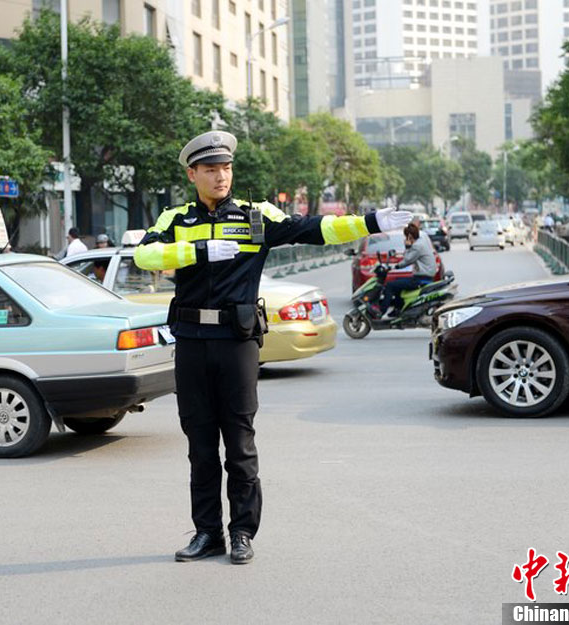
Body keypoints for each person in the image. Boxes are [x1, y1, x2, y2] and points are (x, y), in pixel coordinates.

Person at [134, 130, 412, 565]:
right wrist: (201, 250)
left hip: (237, 343)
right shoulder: (174, 220)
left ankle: (242, 532)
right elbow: (145, 257)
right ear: (193, 174)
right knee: (200, 446)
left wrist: (371, 222)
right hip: (191, 342)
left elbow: (315, 228)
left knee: (240, 443)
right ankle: (207, 533)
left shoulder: (255, 216)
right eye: (210, 169)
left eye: (225, 168)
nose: (221, 176)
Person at [378, 223, 436, 318]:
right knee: (397, 284)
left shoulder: (417, 246)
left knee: (390, 286)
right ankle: (398, 309)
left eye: (406, 236)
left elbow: (407, 260)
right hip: (424, 276)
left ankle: (381, 311)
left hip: (421, 279)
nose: (405, 239)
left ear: (409, 236)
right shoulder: (421, 241)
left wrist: (394, 267)